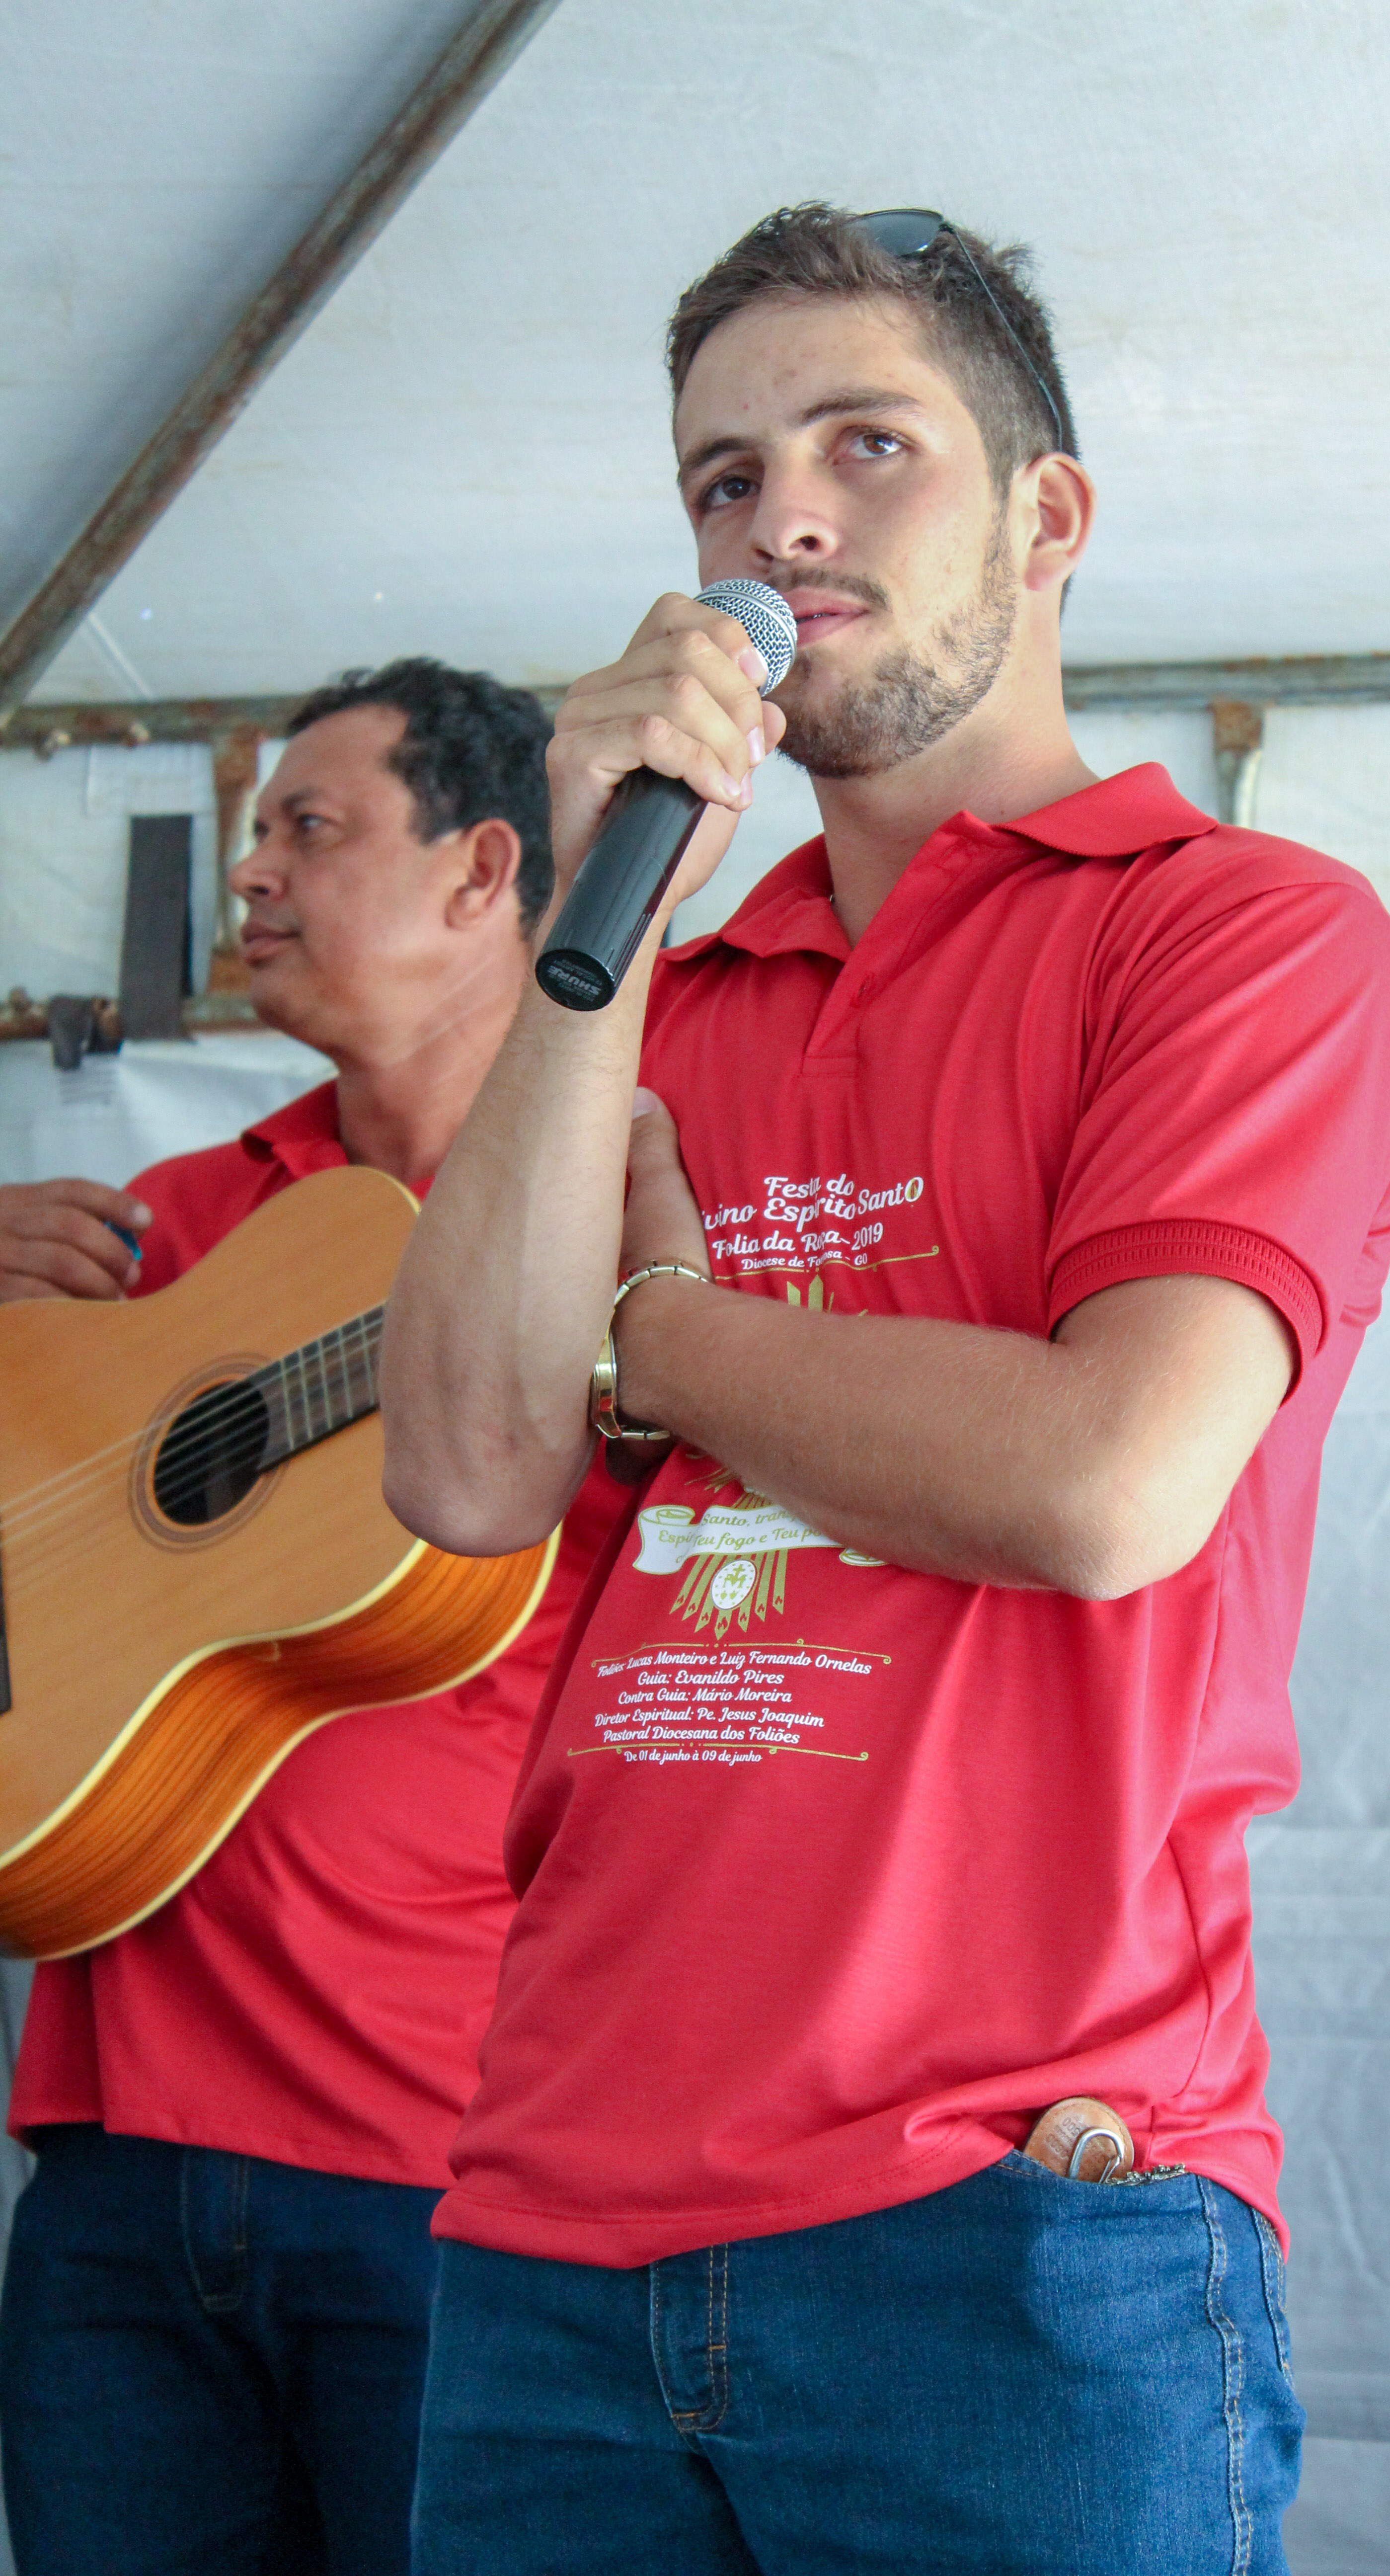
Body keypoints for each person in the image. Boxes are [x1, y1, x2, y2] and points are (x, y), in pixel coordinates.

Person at [383, 205, 1390, 2576]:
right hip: (550, 2215)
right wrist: (586, 940)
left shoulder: (1240, 937)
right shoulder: (650, 994)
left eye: (871, 445)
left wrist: (662, 1336)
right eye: (723, 478)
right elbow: (461, 1473)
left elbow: (1105, 1478)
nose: (784, 521)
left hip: (1015, 2210)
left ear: (1049, 518)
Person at [0, 661, 617, 2576]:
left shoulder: (630, 1217)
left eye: (308, 828)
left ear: (483, 870)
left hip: (453, 2166)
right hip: (117, 2169)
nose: (250, 872)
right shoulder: (160, 1230)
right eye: (255, 830)